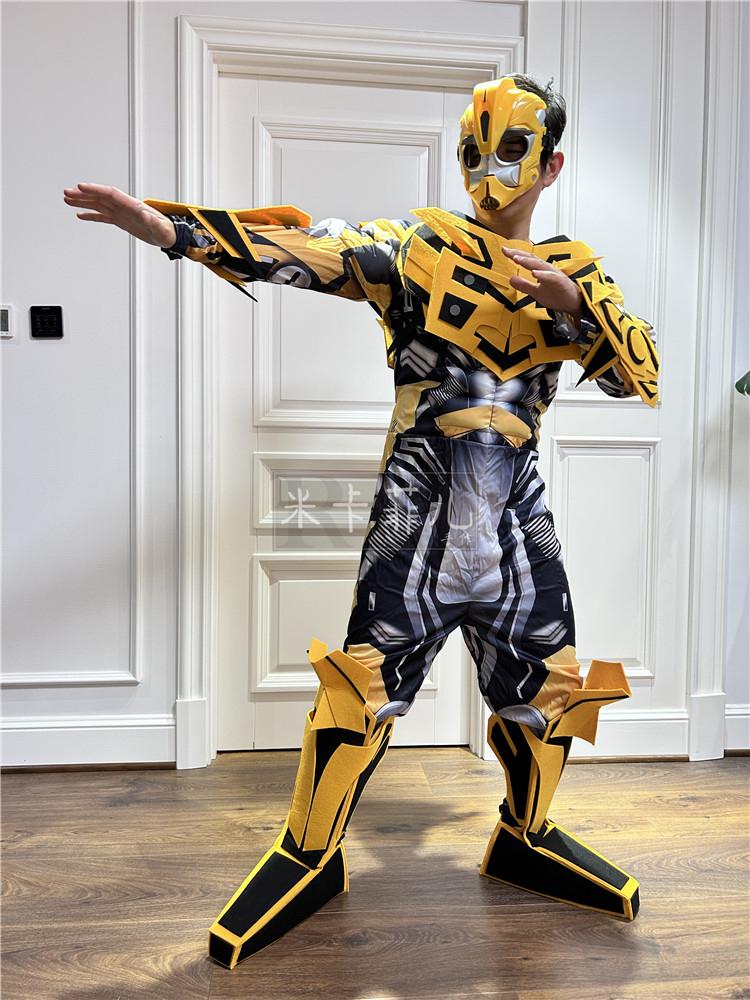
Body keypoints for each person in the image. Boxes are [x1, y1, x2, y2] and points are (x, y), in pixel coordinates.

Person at [64, 74, 659, 970]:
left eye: (511, 150)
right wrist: (174, 232)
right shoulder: (418, 247)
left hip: (516, 524)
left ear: (552, 164)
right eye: (474, 150)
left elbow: (638, 377)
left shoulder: (576, 273)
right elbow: (310, 249)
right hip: (415, 514)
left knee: (550, 691)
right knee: (359, 693)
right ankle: (307, 855)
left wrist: (576, 308)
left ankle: (527, 834)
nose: (488, 170)